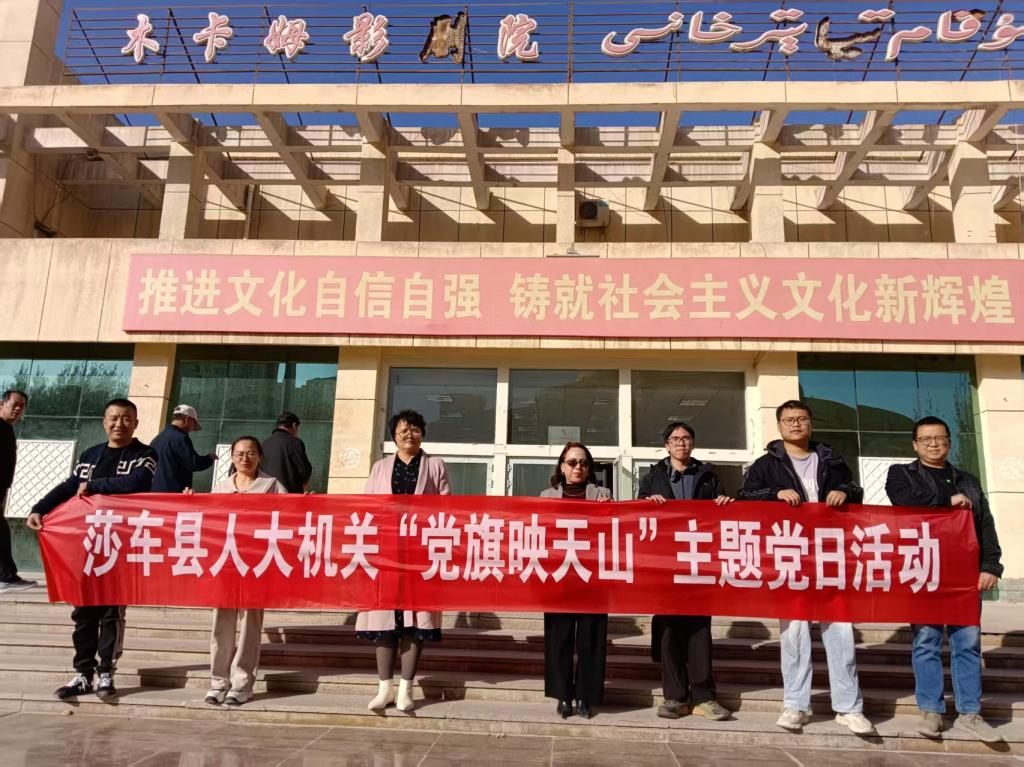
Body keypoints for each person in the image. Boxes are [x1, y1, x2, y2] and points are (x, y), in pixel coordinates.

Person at [739, 400, 875, 736]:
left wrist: (843, 492)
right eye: (789, 420)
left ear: (810, 423)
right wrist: (775, 493)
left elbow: (855, 491)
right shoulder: (765, 465)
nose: (796, 424)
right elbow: (745, 498)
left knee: (840, 632)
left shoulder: (831, 460)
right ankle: (796, 705)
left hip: (831, 555)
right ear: (779, 426)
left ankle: (849, 707)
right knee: (794, 633)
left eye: (802, 418)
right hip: (791, 556)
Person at [25, 398, 157, 702]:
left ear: (136, 423)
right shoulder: (90, 455)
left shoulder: (145, 454)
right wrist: (39, 508)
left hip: (119, 545)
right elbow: (69, 486)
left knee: (111, 612)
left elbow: (137, 482)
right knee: (83, 612)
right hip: (87, 546)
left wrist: (95, 486)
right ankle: (82, 674)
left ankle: (106, 672)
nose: (119, 424)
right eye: (114, 418)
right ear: (104, 422)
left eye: (126, 418)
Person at [885, 416, 1004, 744]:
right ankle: (931, 711)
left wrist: (991, 565)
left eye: (940, 438)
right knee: (926, 641)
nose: (934, 444)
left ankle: (970, 712)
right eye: (926, 439)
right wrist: (945, 500)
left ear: (949, 442)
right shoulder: (901, 475)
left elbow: (985, 523)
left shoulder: (967, 480)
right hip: (924, 570)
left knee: (967, 641)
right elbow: (903, 500)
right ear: (915, 445)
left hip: (964, 573)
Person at [356, 409, 450, 712]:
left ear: (423, 433)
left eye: (415, 429)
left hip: (419, 554)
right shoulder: (381, 467)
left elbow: (446, 508)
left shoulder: (435, 465)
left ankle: (406, 689)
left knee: (414, 622)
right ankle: (385, 688)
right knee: (384, 620)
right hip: (385, 553)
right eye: (403, 430)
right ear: (394, 436)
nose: (409, 435)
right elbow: (368, 508)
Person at [639, 422, 731, 722]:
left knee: (700, 631)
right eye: (675, 439)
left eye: (686, 438)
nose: (681, 443)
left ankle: (704, 696)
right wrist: (647, 504)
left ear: (693, 443)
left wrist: (725, 503)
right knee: (669, 632)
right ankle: (675, 696)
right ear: (666, 445)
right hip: (666, 565)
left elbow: (724, 516)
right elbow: (639, 517)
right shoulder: (652, 478)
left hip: (699, 563)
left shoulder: (709, 476)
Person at [187, 436, 286, 707]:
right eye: (240, 454)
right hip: (226, 564)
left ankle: (242, 685)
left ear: (260, 456)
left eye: (251, 453)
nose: (245, 458)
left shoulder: (272, 486)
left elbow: (292, 516)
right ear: (231, 457)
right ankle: (218, 682)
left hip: (256, 565)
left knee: (250, 624)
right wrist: (188, 501)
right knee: (222, 623)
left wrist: (309, 504)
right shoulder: (220, 488)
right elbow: (206, 522)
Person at [540, 441, 611, 720]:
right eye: (572, 462)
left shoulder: (603, 494)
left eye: (583, 462)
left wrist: (608, 510)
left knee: (591, 638)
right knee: (559, 639)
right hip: (560, 576)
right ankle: (563, 695)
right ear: (562, 466)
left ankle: (585, 695)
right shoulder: (546, 496)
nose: (578, 467)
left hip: (592, 576)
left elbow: (614, 531)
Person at [0, 389, 33, 591]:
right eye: (14, 404)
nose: (18, 409)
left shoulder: (6, 429)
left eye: (21, 406)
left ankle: (7, 575)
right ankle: (6, 576)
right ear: (2, 404)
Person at [150, 404, 215, 493]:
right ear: (187, 420)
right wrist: (209, 458)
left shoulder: (157, 439)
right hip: (172, 494)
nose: (192, 429)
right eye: (193, 424)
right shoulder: (180, 438)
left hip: (154, 492)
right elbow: (193, 463)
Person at [261, 412, 312, 494]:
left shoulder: (264, 444)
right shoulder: (295, 442)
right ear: (294, 426)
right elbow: (304, 469)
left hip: (267, 492)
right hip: (289, 494)